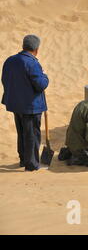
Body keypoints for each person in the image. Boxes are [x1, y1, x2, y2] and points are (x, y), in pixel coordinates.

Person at [1, 35, 49, 171]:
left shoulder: (10, 60)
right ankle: (32, 164)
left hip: (16, 105)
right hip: (31, 107)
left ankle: (23, 159)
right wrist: (45, 76)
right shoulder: (32, 63)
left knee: (22, 132)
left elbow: (4, 80)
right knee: (32, 135)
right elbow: (41, 84)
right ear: (36, 49)